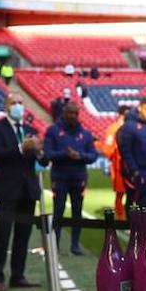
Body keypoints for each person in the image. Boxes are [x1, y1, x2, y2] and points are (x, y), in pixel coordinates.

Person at [0, 94, 44, 291]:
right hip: (6, 189)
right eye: (14, 103)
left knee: (23, 235)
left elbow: (40, 161)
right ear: (5, 107)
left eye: (20, 103)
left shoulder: (30, 130)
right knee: (2, 235)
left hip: (28, 190)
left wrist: (40, 151)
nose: (18, 106)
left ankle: (18, 276)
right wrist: (21, 148)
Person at [43, 102, 99, 255]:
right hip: (59, 178)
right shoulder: (53, 131)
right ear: (64, 113)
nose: (73, 116)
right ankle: (55, 244)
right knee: (58, 211)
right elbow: (47, 153)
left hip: (79, 178)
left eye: (76, 113)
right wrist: (64, 154)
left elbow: (94, 155)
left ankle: (75, 245)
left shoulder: (85, 133)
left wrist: (79, 156)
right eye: (70, 113)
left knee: (77, 212)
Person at [102, 103, 132, 219]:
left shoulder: (132, 127)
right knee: (120, 193)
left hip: (132, 166)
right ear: (121, 115)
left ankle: (132, 217)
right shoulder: (113, 129)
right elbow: (107, 148)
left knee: (135, 194)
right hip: (118, 166)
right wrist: (115, 156)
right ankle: (121, 218)